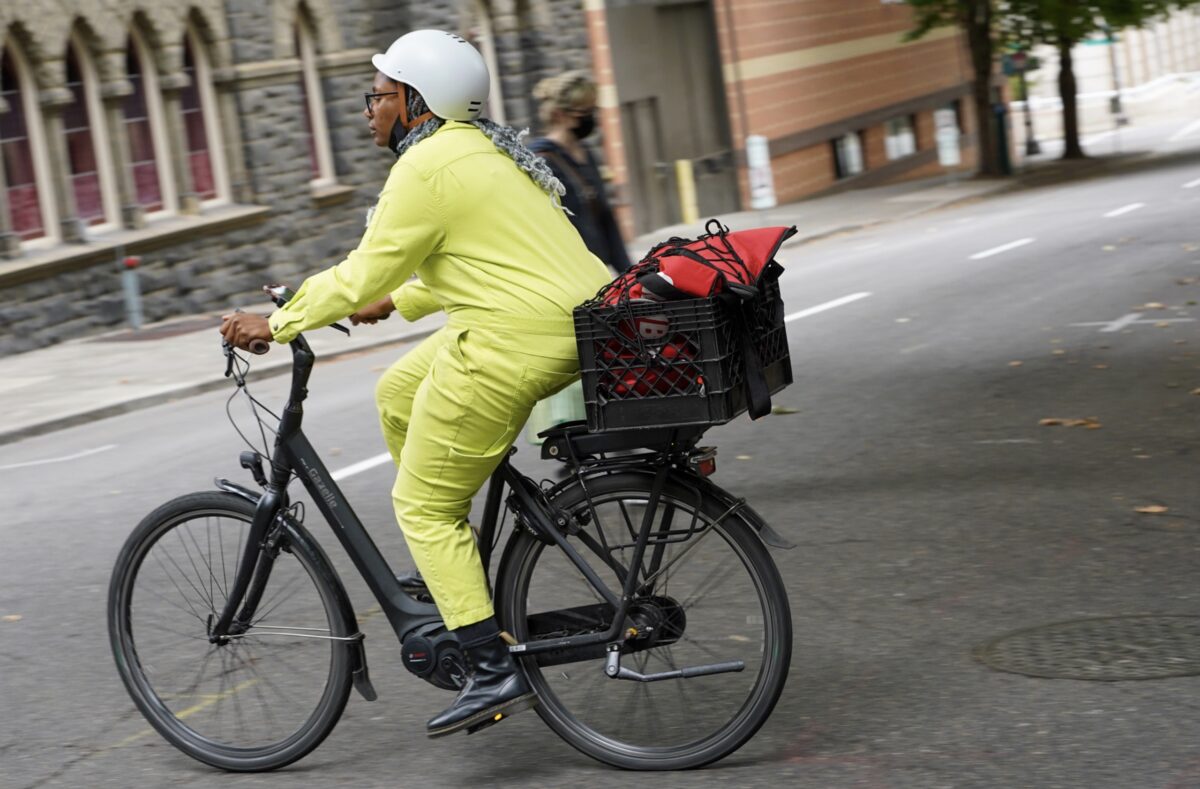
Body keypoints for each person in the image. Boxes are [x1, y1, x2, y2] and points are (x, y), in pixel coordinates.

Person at [219, 29, 610, 738]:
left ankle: (491, 667)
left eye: (380, 94)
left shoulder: (427, 165)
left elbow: (363, 269)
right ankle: (450, 572)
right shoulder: (484, 148)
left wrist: (273, 325)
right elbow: (476, 255)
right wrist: (394, 303)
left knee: (420, 506)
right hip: (564, 323)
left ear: (417, 102)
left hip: (513, 339)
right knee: (398, 390)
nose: (369, 108)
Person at [528, 71, 632, 275]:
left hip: (599, 272)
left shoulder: (586, 154)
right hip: (570, 275)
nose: (589, 119)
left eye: (591, 111)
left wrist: (631, 274)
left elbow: (605, 218)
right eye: (582, 114)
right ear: (559, 115)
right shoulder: (540, 161)